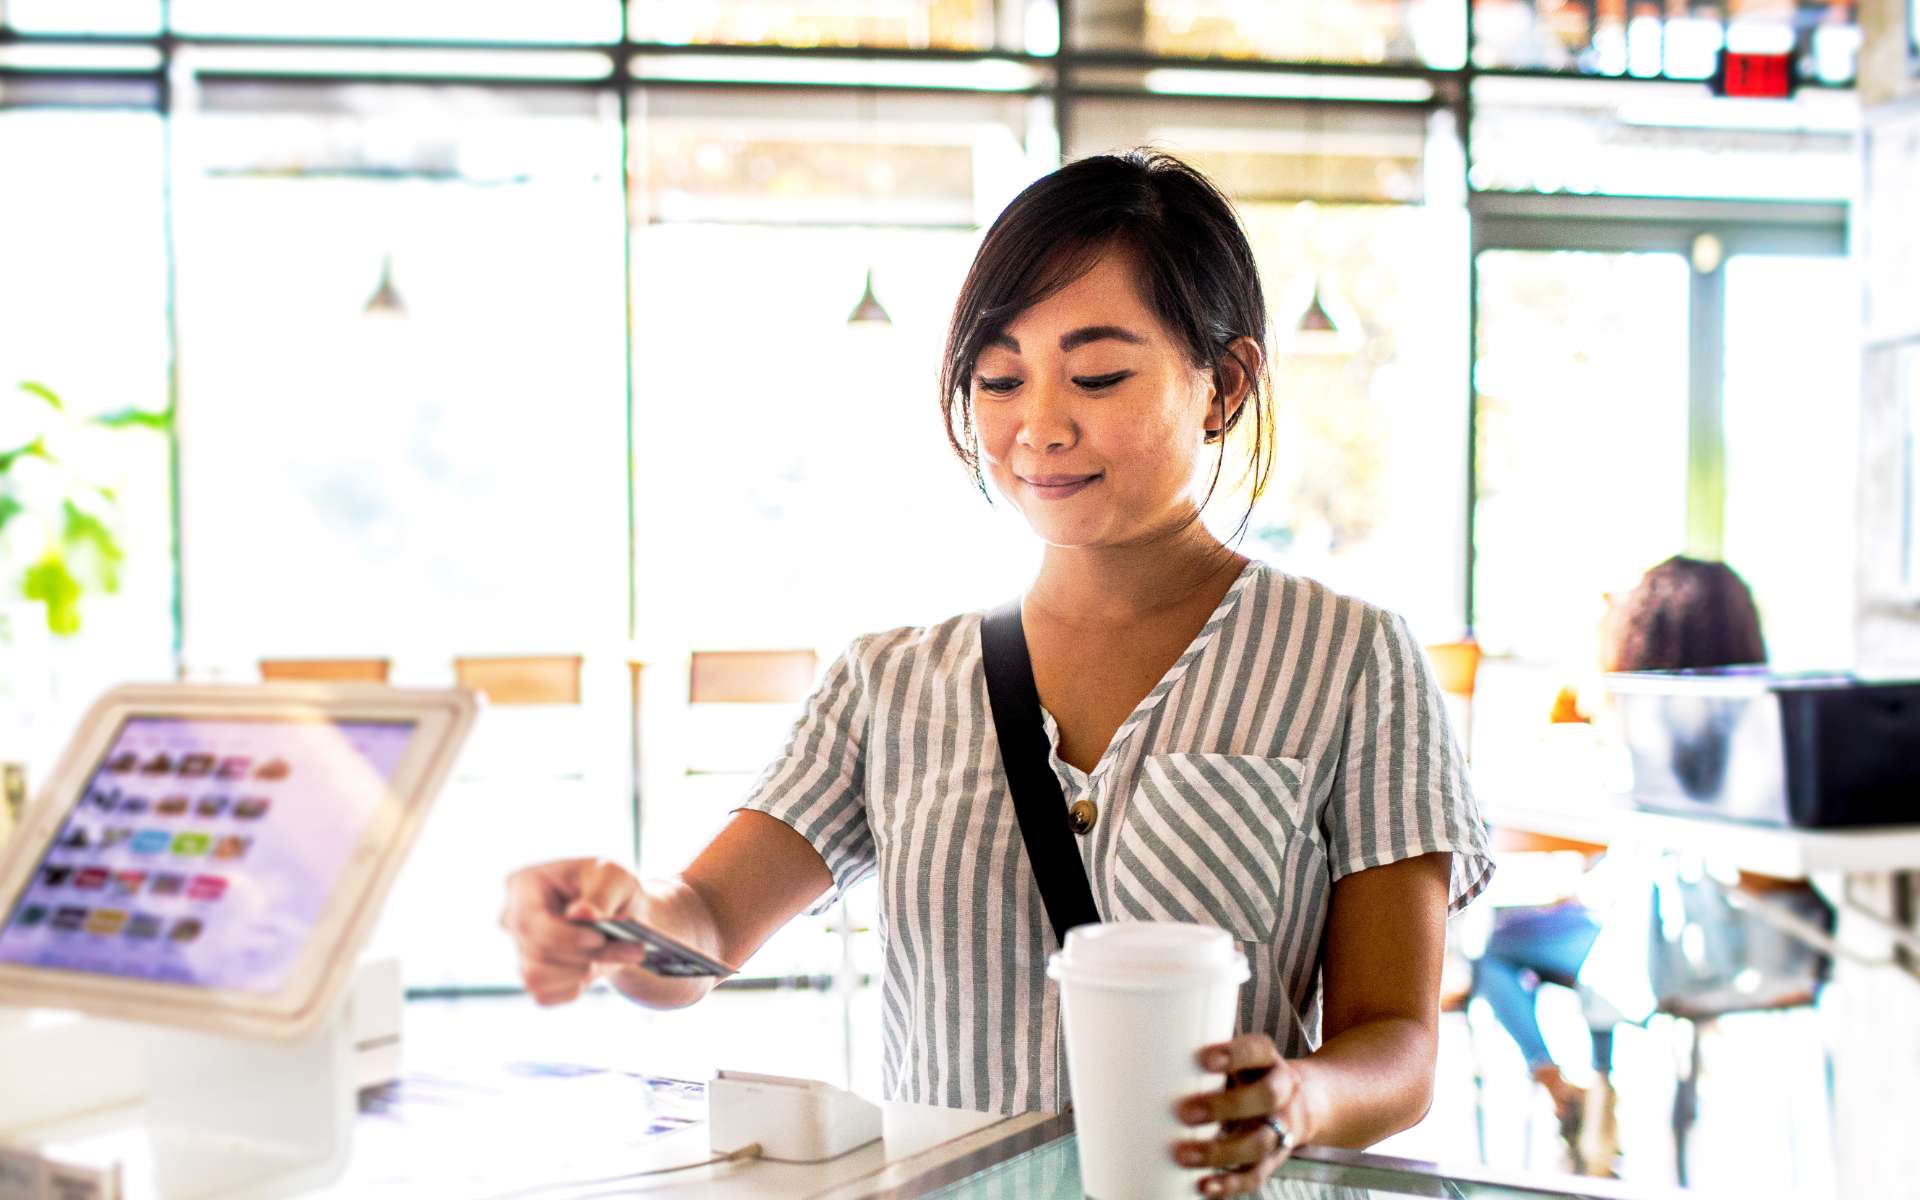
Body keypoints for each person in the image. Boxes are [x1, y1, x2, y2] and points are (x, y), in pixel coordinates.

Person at [500, 150, 1493, 1198]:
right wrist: (615, 924)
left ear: (1225, 385)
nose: (1040, 427)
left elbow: (1399, 1047)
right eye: (999, 378)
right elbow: (700, 929)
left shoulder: (1349, 660)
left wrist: (1300, 1099)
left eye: (1099, 374)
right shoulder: (890, 685)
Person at [1468, 554, 1797, 1176]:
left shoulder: (1643, 730)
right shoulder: (1771, 721)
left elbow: (1563, 819)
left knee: (1500, 944)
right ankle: (1594, 1104)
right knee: (1593, 935)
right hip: (1766, 949)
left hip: (1678, 948)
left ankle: (1567, 1090)